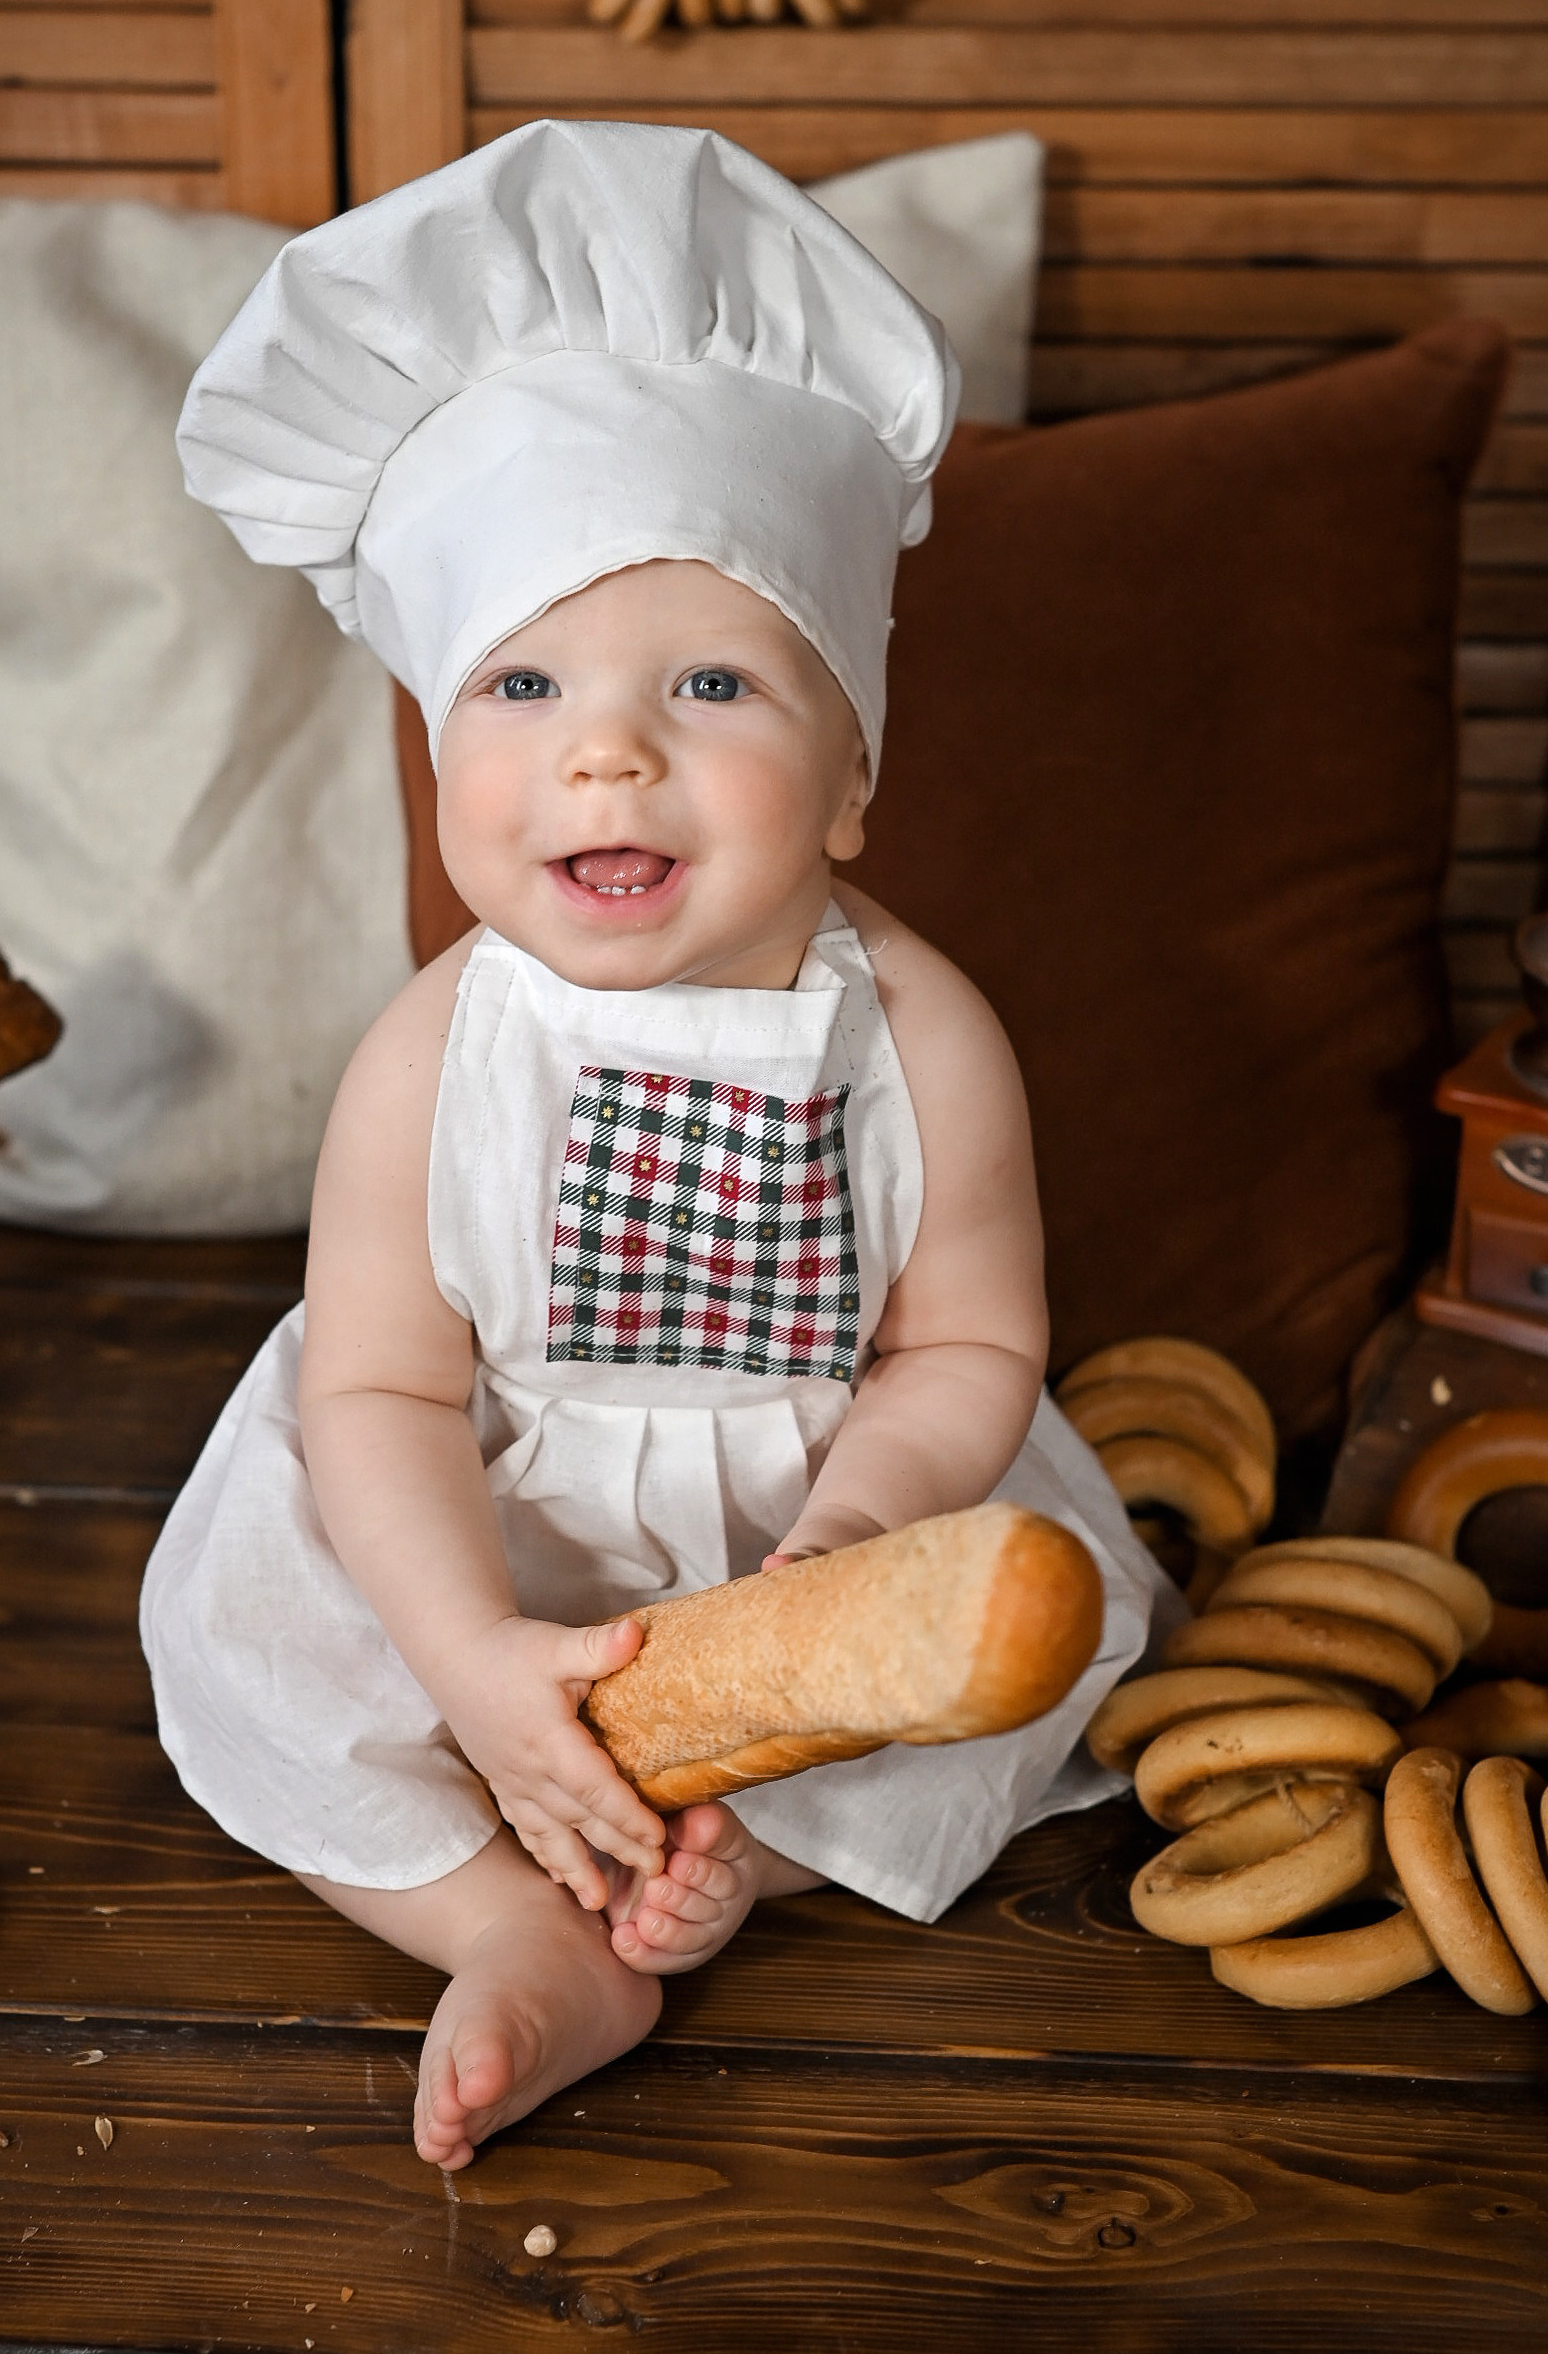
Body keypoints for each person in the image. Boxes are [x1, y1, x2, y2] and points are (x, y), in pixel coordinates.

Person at [143, 121, 1164, 2172]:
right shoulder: (430, 1054)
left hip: (806, 1534)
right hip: (489, 1524)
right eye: (520, 682)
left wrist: (861, 1528)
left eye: (711, 680)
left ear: (850, 776)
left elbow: (966, 1352)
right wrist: (473, 1654)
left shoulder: (929, 1039)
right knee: (262, 1662)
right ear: (440, 758)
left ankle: (730, 1864)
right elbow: (379, 1385)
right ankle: (516, 1927)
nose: (609, 748)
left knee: (1012, 1669)